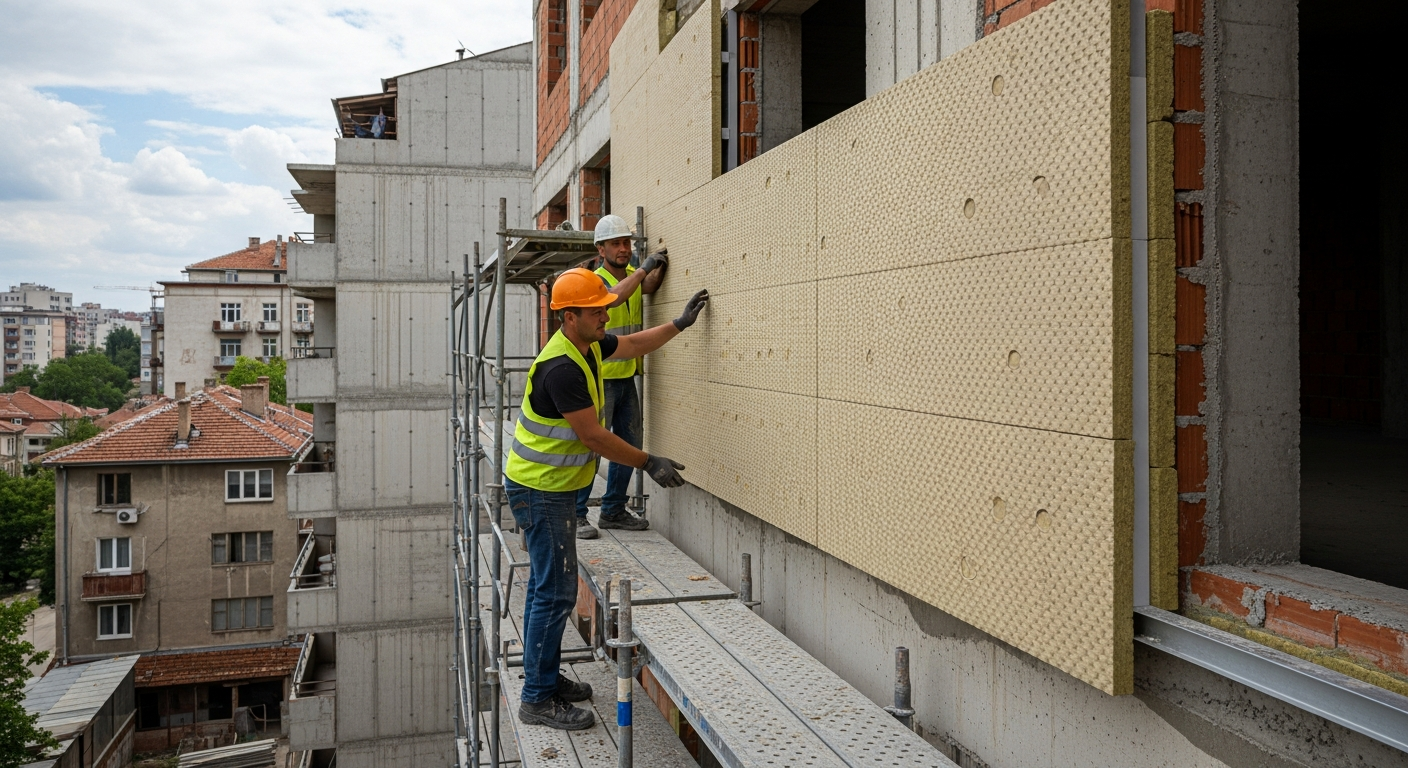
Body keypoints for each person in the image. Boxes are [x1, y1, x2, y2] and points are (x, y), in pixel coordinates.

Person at [506, 267, 708, 731]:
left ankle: (544, 680)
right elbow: (594, 436)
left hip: (548, 489)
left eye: (605, 307)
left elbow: (634, 345)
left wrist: (678, 324)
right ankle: (537, 697)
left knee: (548, 590)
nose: (605, 315)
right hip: (541, 491)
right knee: (553, 593)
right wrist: (647, 460)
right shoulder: (562, 368)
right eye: (597, 310)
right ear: (569, 315)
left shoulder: (586, 346)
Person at [575, 214, 669, 539]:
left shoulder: (632, 274)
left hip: (626, 373)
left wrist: (660, 265)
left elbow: (646, 287)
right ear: (600, 249)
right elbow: (616, 296)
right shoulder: (594, 281)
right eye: (615, 243)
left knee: (629, 443)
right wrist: (645, 268)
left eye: (626, 242)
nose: (623, 248)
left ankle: (613, 510)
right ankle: (576, 514)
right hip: (600, 377)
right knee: (592, 447)